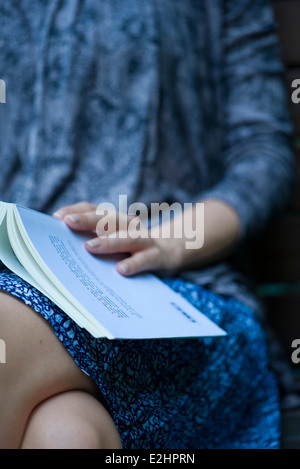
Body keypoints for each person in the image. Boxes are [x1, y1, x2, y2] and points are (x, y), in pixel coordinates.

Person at [0, 0, 296, 449]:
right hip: (16, 274)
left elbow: (263, 159)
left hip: (178, 296)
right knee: (66, 436)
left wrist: (165, 241)